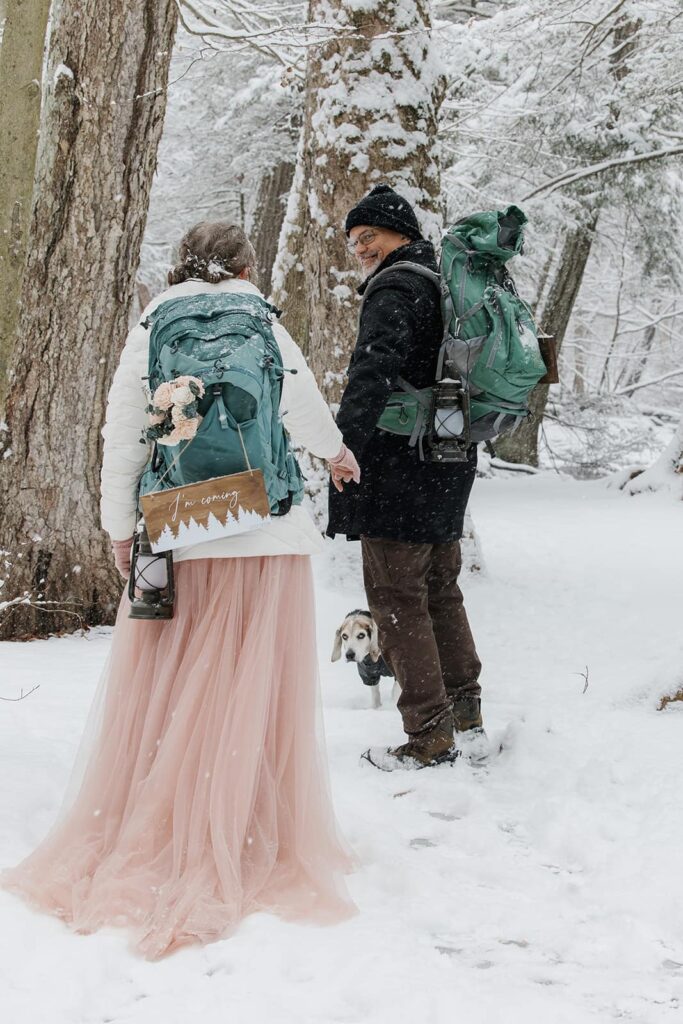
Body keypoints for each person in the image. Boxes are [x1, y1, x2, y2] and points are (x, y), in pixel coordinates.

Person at [2, 222, 360, 958]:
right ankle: (246, 828)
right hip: (263, 521)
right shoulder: (261, 321)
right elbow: (301, 404)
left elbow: (123, 433)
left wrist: (116, 525)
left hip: (182, 524)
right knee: (250, 683)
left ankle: (157, 821)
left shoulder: (152, 327)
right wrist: (337, 453)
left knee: (175, 678)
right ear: (243, 266)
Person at [327, 184, 483, 770]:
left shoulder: (396, 286)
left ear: (402, 234)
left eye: (370, 236)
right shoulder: (444, 282)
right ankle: (466, 712)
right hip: (449, 458)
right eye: (354, 241)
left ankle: (428, 735)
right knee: (440, 589)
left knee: (396, 598)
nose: (361, 248)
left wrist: (345, 449)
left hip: (399, 464)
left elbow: (371, 372)